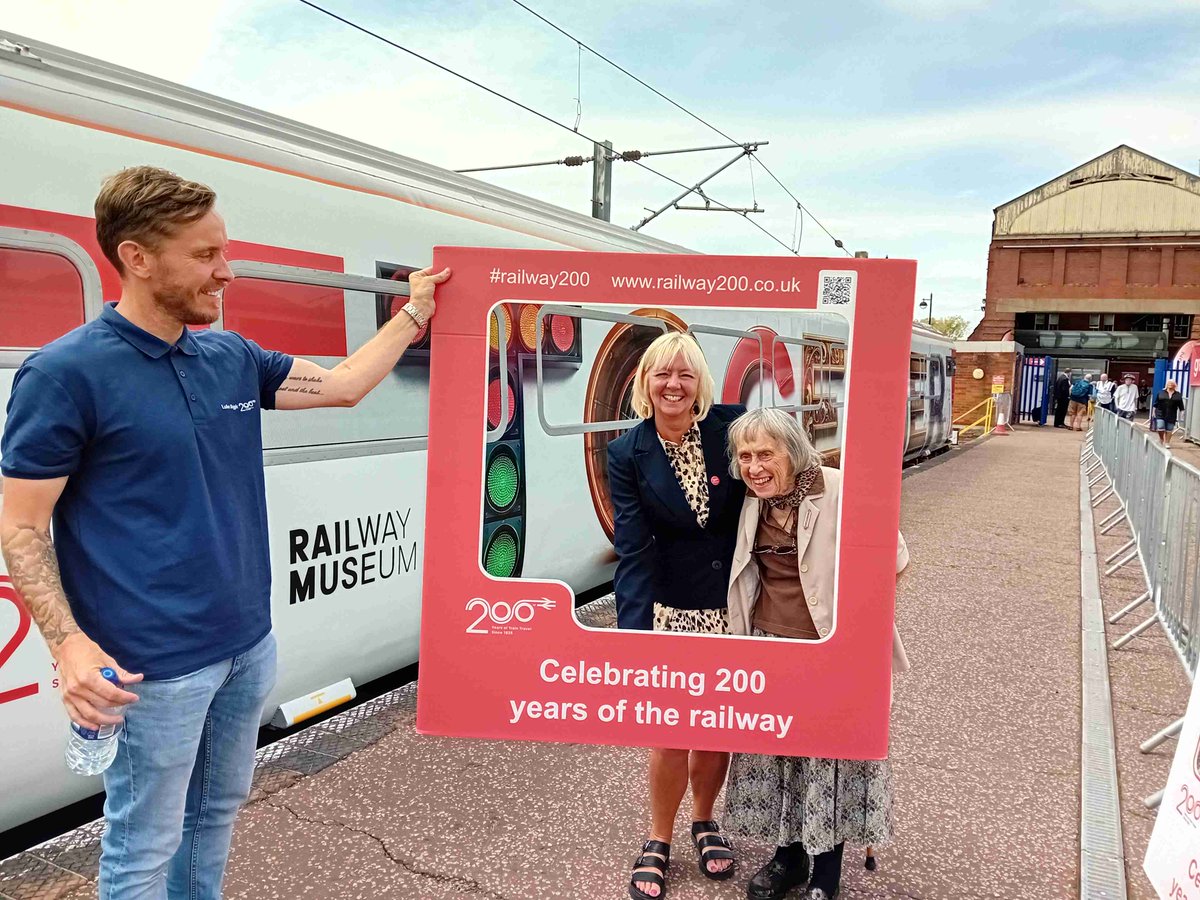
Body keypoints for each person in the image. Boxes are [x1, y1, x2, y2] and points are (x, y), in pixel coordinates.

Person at [0, 166, 449, 900]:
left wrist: (414, 313)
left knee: (212, 818)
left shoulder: (231, 359)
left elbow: (341, 385)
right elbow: (20, 525)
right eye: (205, 255)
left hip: (247, 647)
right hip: (153, 669)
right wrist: (69, 644)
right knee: (142, 844)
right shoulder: (66, 374)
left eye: (224, 251)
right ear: (138, 257)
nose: (225, 271)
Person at [722, 408, 909, 900]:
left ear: (795, 451)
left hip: (830, 649)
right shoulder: (750, 502)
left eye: (766, 454)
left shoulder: (839, 488)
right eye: (745, 456)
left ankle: (827, 871)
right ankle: (787, 859)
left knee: (830, 758)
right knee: (780, 755)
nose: (754, 466)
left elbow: (896, 559)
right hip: (767, 645)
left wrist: (854, 639)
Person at [606, 331, 746, 900]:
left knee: (715, 729)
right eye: (662, 374)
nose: (674, 384)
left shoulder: (732, 429)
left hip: (735, 602)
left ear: (701, 383)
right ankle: (658, 836)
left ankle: (704, 820)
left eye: (685, 374)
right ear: (645, 383)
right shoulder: (626, 452)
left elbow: (783, 478)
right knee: (670, 732)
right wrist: (633, 637)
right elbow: (633, 550)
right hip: (672, 607)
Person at [1152, 379, 1185, 447]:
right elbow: (1155, 404)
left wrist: (1182, 415)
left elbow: (1181, 406)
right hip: (1160, 413)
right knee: (1160, 426)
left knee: (1169, 429)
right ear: (1166, 385)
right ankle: (1161, 439)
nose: (1170, 385)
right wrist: (1153, 412)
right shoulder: (1161, 393)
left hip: (1172, 414)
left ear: (1174, 385)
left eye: (1172, 384)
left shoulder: (1178, 395)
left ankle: (1167, 442)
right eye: (1169, 383)